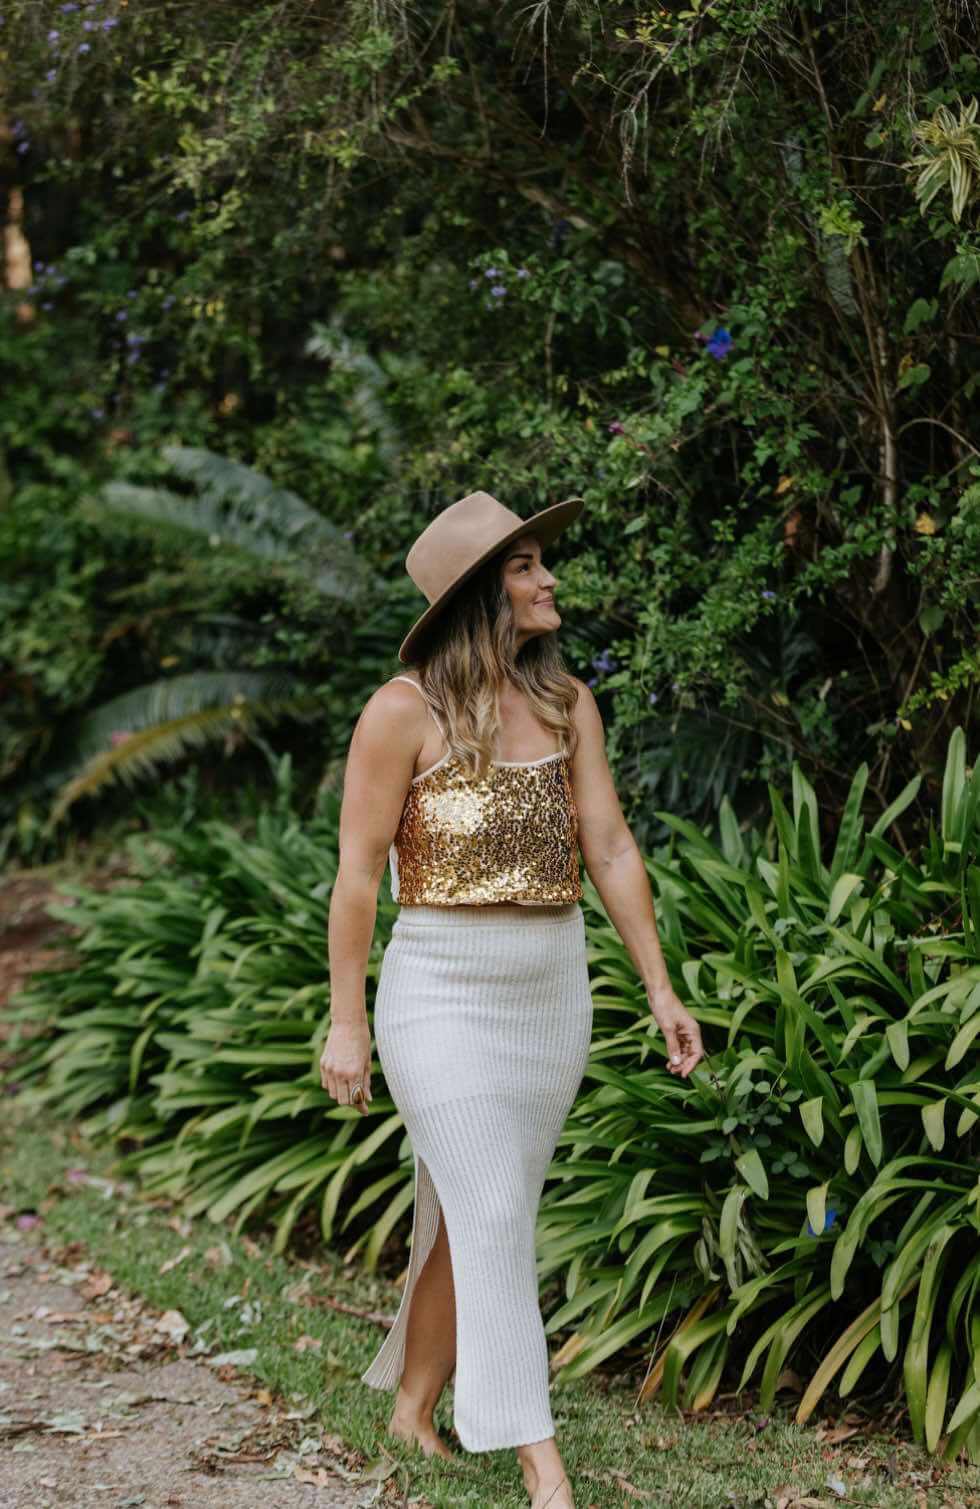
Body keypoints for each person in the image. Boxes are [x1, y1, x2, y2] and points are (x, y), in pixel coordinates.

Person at [320, 490, 703, 1509]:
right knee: (492, 1209)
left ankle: (412, 1403)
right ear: (479, 594)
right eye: (525, 567)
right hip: (438, 988)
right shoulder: (401, 711)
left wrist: (659, 988)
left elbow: (608, 847)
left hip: (548, 990)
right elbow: (357, 876)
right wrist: (347, 1022)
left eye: (540, 562)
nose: (548, 580)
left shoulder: (569, 702)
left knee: (480, 1210)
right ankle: (542, 1466)